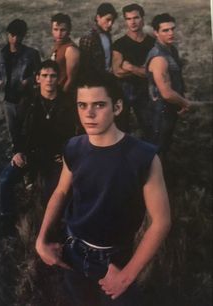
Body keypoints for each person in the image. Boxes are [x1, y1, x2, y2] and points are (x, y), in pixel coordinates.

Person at [36, 75, 171, 306]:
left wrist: (126, 276)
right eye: (82, 105)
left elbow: (161, 221)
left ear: (117, 107)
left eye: (99, 105)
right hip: (72, 252)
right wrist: (41, 239)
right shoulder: (74, 147)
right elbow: (60, 192)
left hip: (115, 260)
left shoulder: (142, 156)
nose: (89, 113)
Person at [0, 60, 74, 232]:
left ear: (59, 78)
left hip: (55, 158)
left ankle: (52, 231)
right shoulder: (28, 102)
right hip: (30, 154)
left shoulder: (68, 103)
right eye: (45, 76)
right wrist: (17, 151)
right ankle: (8, 221)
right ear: (38, 78)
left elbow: (75, 134)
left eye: (53, 76)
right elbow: (16, 130)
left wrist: (66, 154)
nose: (49, 80)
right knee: (4, 181)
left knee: (51, 195)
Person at [145, 13, 192, 154]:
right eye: (165, 30)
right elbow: (166, 93)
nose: (171, 33)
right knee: (157, 148)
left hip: (170, 108)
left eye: (172, 29)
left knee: (165, 143)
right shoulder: (159, 58)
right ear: (156, 33)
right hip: (161, 110)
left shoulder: (171, 50)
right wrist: (184, 102)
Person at [112, 3, 155, 134]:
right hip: (124, 90)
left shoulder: (152, 43)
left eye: (136, 17)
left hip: (146, 91)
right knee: (121, 128)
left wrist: (130, 67)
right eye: (129, 18)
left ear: (142, 19)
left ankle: (151, 154)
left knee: (149, 127)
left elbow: (152, 74)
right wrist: (141, 70)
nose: (133, 22)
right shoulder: (119, 44)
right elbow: (118, 72)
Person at [0, 19, 41, 142]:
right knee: (13, 133)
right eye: (12, 35)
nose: (15, 39)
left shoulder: (31, 54)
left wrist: (28, 81)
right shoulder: (3, 53)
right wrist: (0, 81)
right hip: (8, 100)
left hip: (25, 100)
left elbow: (40, 76)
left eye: (19, 36)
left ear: (23, 36)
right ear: (8, 34)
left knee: (27, 132)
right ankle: (15, 157)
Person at [79, 2, 118, 79]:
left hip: (108, 78)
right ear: (98, 17)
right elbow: (85, 65)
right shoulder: (88, 37)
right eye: (108, 19)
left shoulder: (107, 35)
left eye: (112, 21)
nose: (110, 24)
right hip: (93, 80)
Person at [50, 13, 80, 94]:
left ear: (69, 30)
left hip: (66, 93)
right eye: (55, 29)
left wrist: (61, 96)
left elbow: (71, 80)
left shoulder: (70, 49)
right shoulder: (57, 45)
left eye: (63, 30)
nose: (59, 34)